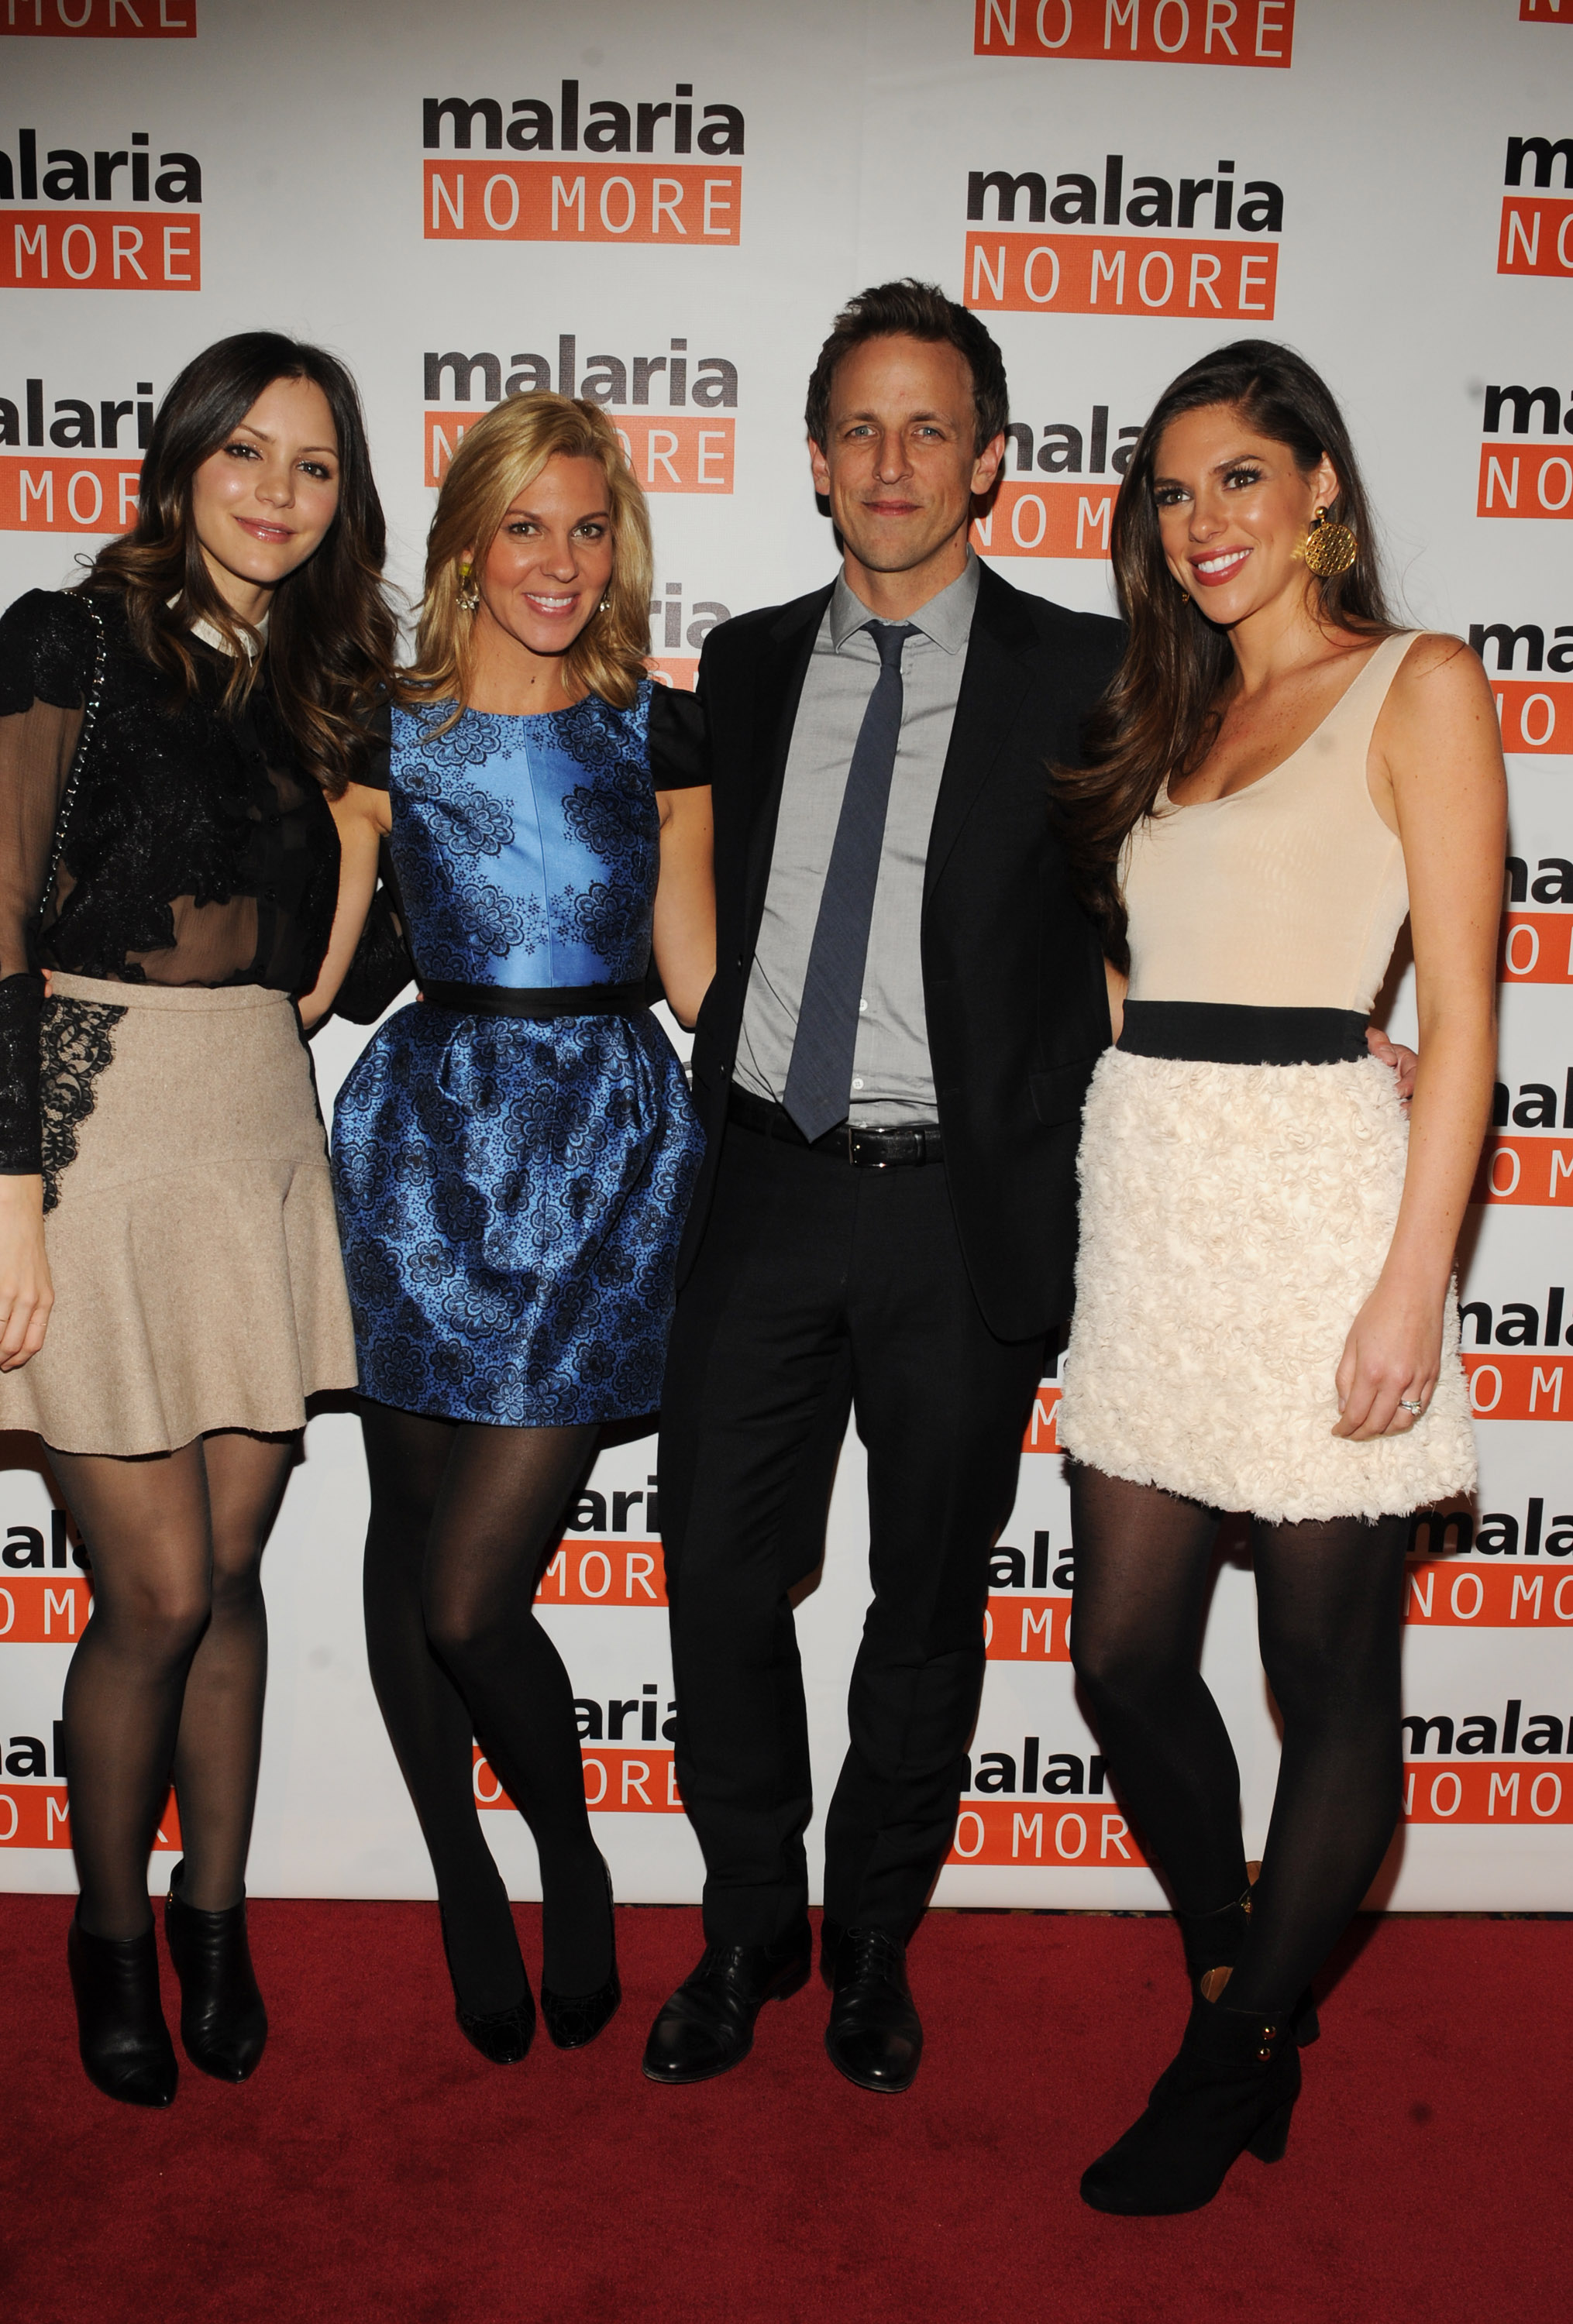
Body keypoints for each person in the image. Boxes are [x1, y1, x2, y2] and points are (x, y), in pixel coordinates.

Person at [636, 279, 1127, 2096]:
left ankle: (868, 1945)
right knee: (711, 1577)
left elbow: (1162, 912)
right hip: (762, 1189)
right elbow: (694, 886)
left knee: (921, 1607)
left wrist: (1309, 1030)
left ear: (989, 459)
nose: (892, 461)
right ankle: (747, 1922)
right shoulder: (749, 665)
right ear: (814, 459)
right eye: (859, 427)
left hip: (958, 1213)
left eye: (929, 428)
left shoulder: (1084, 675)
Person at [1054, 340, 1502, 2214]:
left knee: (1324, 1675)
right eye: (1169, 494)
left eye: (1236, 477)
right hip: (1154, 1210)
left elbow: (1462, 1018)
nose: (1199, 522)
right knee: (1118, 1658)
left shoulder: (1419, 682)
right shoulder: (1160, 714)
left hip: (1320, 1220)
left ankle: (1231, 2050)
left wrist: (1410, 1284)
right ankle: (1234, 1955)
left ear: (1317, 483)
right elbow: (1134, 979)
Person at [0, 333, 394, 2107]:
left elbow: (318, 988)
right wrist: (12, 1199)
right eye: (247, 452)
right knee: (159, 1590)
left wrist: (360, 834)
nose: (278, 492)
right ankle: (112, 1932)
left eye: (315, 465)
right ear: (184, 460)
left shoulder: (321, 681)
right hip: (98, 1138)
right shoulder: (67, 640)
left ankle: (217, 1918)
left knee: (235, 1576)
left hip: (259, 1129)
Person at [315, 393, 714, 2063]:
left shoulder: (660, 732)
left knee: (471, 1597)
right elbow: (312, 980)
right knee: (407, 1545)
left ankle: (569, 1851)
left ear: (619, 547)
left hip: (603, 1157)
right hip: (421, 1153)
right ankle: (461, 1872)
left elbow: (699, 982)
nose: (558, 560)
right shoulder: (378, 729)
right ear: (467, 543)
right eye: (525, 525)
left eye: (588, 527)